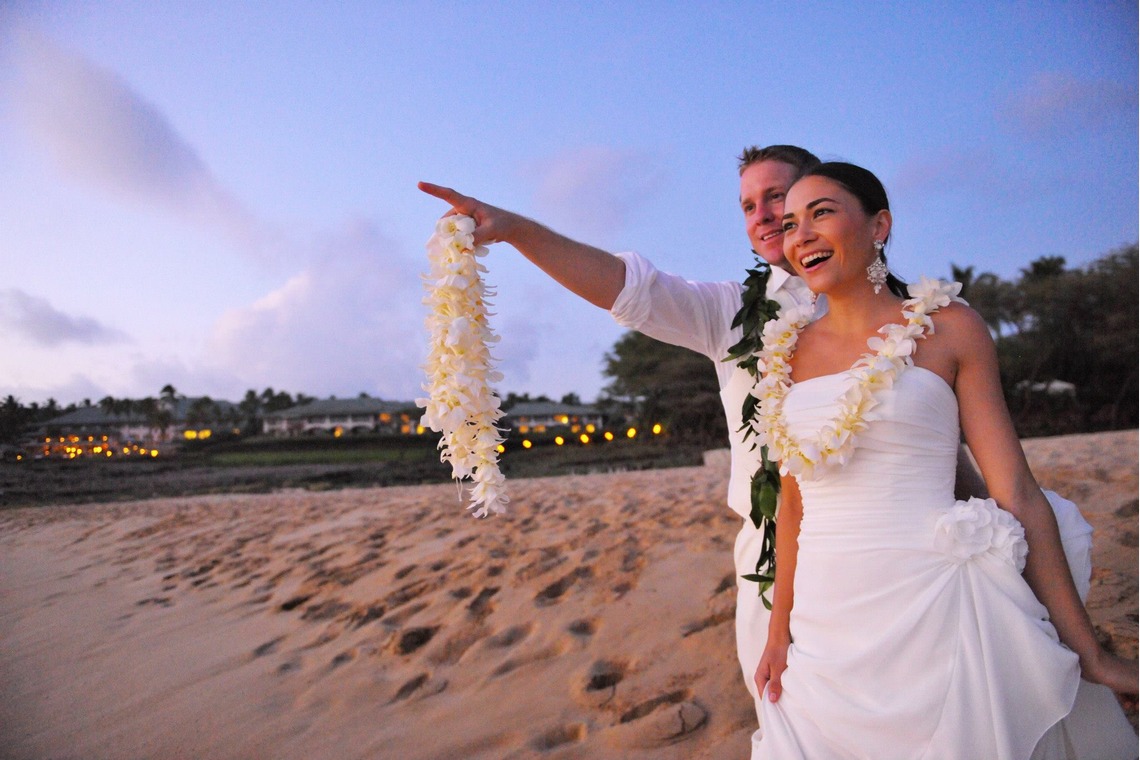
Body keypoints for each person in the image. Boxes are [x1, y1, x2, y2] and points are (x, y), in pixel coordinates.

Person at [419, 144, 1043, 731]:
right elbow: (625, 286)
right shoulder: (729, 314)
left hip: (913, 550)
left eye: (781, 197)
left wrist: (980, 529)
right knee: (797, 715)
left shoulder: (916, 316)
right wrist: (515, 227)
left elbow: (936, 435)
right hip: (778, 550)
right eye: (749, 206)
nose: (767, 216)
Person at [749, 161, 1137, 759]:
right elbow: (795, 506)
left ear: (880, 225)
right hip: (827, 629)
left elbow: (1016, 490)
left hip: (939, 606)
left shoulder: (950, 329)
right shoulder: (783, 352)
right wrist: (778, 635)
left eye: (822, 212)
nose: (800, 234)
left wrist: (1087, 651)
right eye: (792, 221)